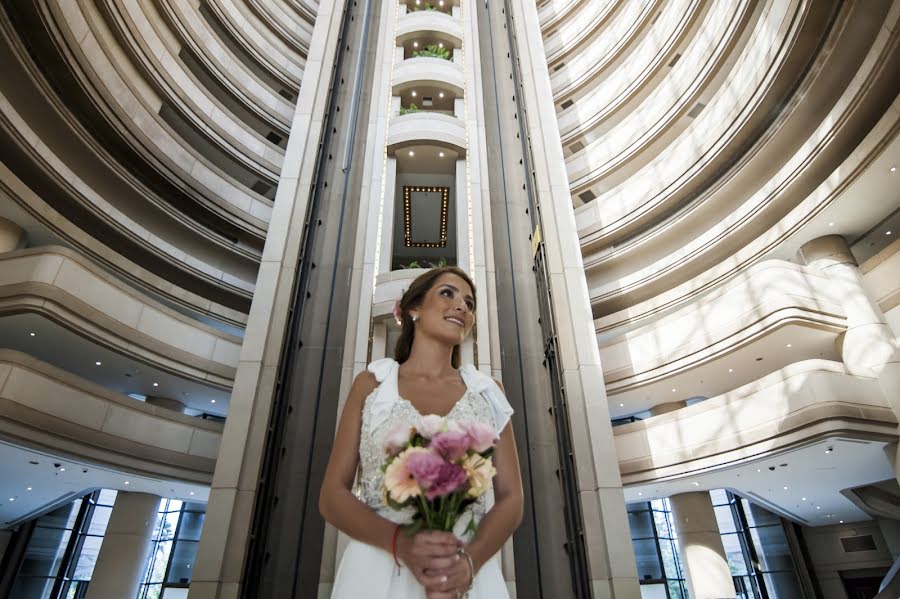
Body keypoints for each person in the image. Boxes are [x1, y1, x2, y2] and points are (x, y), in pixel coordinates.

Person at [320, 266, 524, 598]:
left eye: (470, 303)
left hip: (463, 569)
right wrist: (401, 543)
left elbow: (512, 499)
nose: (462, 306)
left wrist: (468, 564)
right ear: (413, 308)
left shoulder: (488, 391)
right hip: (376, 570)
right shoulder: (371, 385)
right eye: (448, 293)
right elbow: (332, 495)